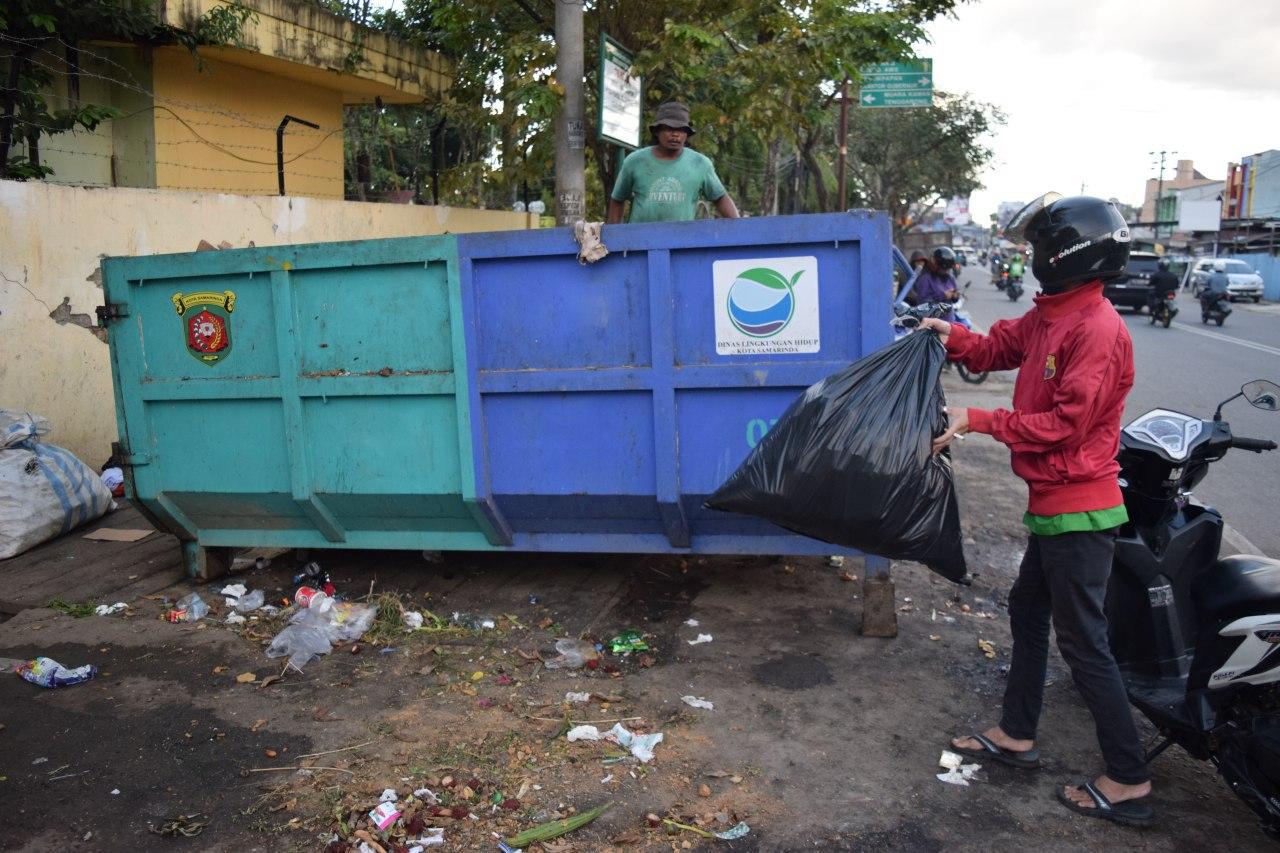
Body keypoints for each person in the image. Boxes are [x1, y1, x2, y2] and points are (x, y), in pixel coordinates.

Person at [922, 194, 1154, 827]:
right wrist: (952, 336)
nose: (1030, 259)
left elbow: (1068, 425)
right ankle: (1017, 735)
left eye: (1037, 249)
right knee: (1028, 612)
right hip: (1053, 508)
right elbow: (1000, 347)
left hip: (1081, 513)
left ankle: (1129, 777)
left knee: (1085, 644)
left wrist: (978, 420)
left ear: (1067, 254)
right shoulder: (1055, 314)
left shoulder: (1098, 329)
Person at [606, 101, 739, 224]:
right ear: (657, 131)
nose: (675, 134)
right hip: (639, 242)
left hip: (681, 243)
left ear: (686, 134)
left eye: (681, 130)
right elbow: (618, 199)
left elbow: (720, 198)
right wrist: (616, 237)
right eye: (669, 129)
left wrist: (739, 228)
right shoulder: (635, 161)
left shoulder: (700, 164)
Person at [910, 247, 960, 320]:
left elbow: (955, 299)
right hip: (933, 325)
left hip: (949, 322)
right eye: (943, 269)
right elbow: (921, 304)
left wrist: (955, 296)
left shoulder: (950, 277)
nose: (946, 271)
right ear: (935, 265)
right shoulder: (925, 279)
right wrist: (942, 295)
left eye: (948, 269)